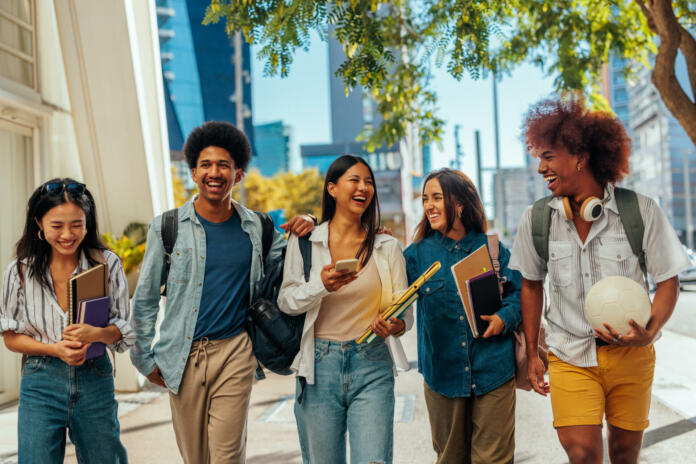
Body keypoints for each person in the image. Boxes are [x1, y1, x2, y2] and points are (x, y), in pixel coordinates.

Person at [510, 96, 691, 464]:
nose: (541, 167)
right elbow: (530, 285)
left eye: (548, 156)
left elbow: (668, 280)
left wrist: (650, 331)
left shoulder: (639, 210)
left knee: (625, 457)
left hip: (631, 357)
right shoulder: (537, 219)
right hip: (570, 357)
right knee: (582, 455)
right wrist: (533, 353)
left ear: (580, 156)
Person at [130, 121, 314, 464]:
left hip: (235, 352)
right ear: (194, 173)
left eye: (224, 165)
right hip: (180, 357)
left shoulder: (259, 228)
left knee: (227, 457)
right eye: (206, 165)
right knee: (196, 457)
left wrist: (310, 221)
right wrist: (144, 358)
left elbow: (296, 262)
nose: (214, 173)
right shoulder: (167, 227)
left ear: (238, 174)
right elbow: (144, 298)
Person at [277, 155, 412, 464]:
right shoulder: (306, 242)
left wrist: (396, 325)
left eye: (369, 182)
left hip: (373, 363)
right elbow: (287, 301)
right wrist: (321, 286)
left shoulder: (387, 246)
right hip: (318, 367)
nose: (363, 187)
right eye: (355, 180)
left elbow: (404, 311)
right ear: (333, 189)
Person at [0, 178, 133, 463]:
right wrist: (55, 349)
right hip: (41, 380)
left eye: (76, 224)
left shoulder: (107, 264)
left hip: (94, 377)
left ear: (88, 222)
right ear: (39, 223)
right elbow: (10, 337)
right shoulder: (19, 271)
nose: (67, 234)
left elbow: (124, 331)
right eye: (57, 226)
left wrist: (95, 334)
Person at [403, 168, 521, 464]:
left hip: (493, 370)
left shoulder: (492, 249)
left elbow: (519, 295)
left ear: (459, 203)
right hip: (442, 375)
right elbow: (389, 294)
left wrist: (503, 318)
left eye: (437, 197)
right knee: (450, 459)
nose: (428, 205)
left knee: (493, 460)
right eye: (424, 198)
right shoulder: (416, 255)